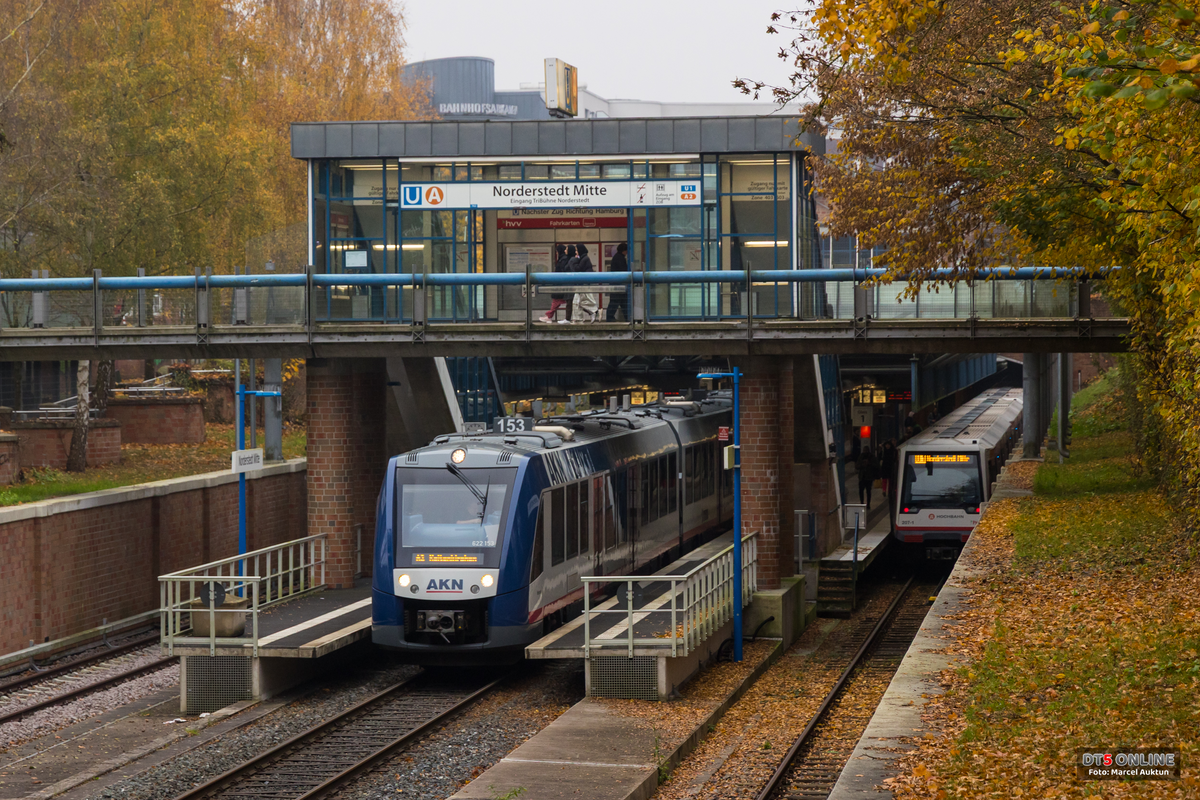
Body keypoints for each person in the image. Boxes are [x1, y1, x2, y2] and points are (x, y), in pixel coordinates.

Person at [540, 245, 570, 323]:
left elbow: (561, 272)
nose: (556, 253)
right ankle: (549, 316)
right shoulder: (564, 259)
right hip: (562, 284)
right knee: (569, 301)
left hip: (560, 284)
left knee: (557, 301)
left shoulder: (562, 260)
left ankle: (549, 316)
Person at [572, 244, 600, 322]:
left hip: (583, 284)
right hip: (582, 283)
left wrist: (574, 261)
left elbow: (577, 269)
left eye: (577, 250)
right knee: (576, 302)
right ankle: (591, 313)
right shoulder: (583, 258)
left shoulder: (584, 259)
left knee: (578, 302)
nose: (576, 252)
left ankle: (593, 312)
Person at [605, 243, 630, 321]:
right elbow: (623, 270)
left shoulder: (616, 257)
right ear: (624, 250)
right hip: (619, 284)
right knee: (618, 302)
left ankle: (626, 318)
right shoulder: (620, 258)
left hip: (616, 283)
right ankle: (611, 318)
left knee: (619, 302)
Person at [880, 439, 899, 531]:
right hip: (885, 467)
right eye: (886, 445)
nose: (887, 446)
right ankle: (884, 490)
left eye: (888, 445)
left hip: (890, 468)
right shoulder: (884, 451)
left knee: (890, 481)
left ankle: (887, 491)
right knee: (885, 480)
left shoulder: (893, 451)